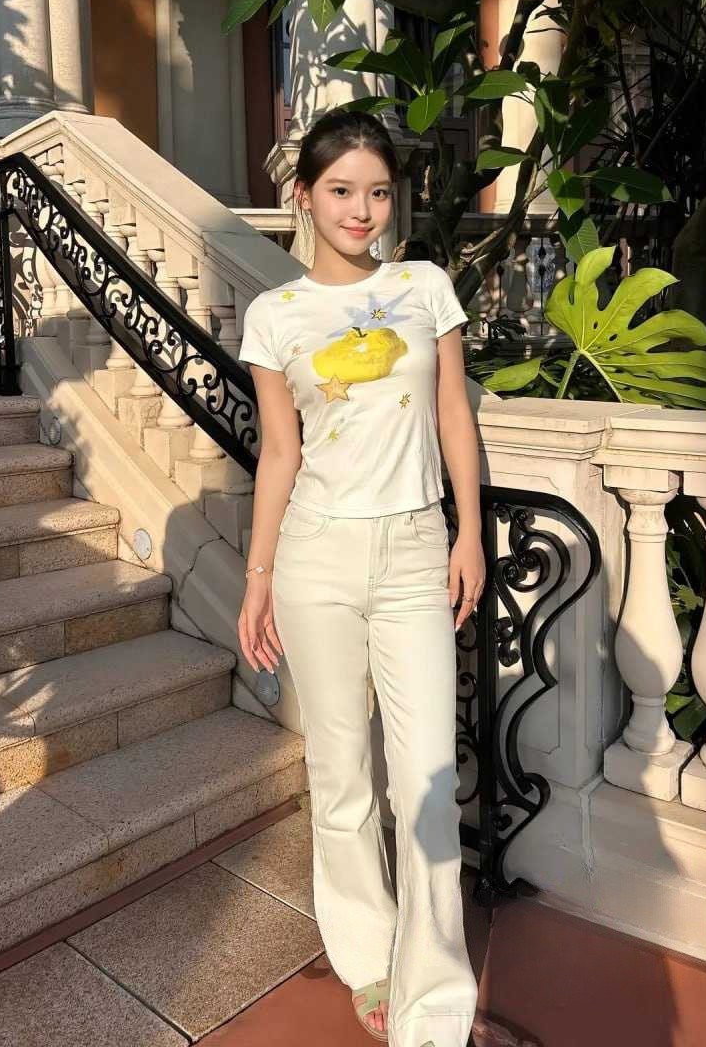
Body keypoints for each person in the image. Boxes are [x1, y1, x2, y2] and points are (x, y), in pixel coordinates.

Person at [237, 107, 483, 1047]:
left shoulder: (424, 287)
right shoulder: (276, 315)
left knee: (425, 782)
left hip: (416, 549)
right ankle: (367, 956)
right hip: (316, 556)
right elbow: (279, 453)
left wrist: (469, 533)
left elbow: (454, 415)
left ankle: (436, 1000)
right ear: (303, 194)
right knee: (339, 773)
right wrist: (258, 579)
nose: (361, 209)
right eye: (341, 190)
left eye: (378, 191)